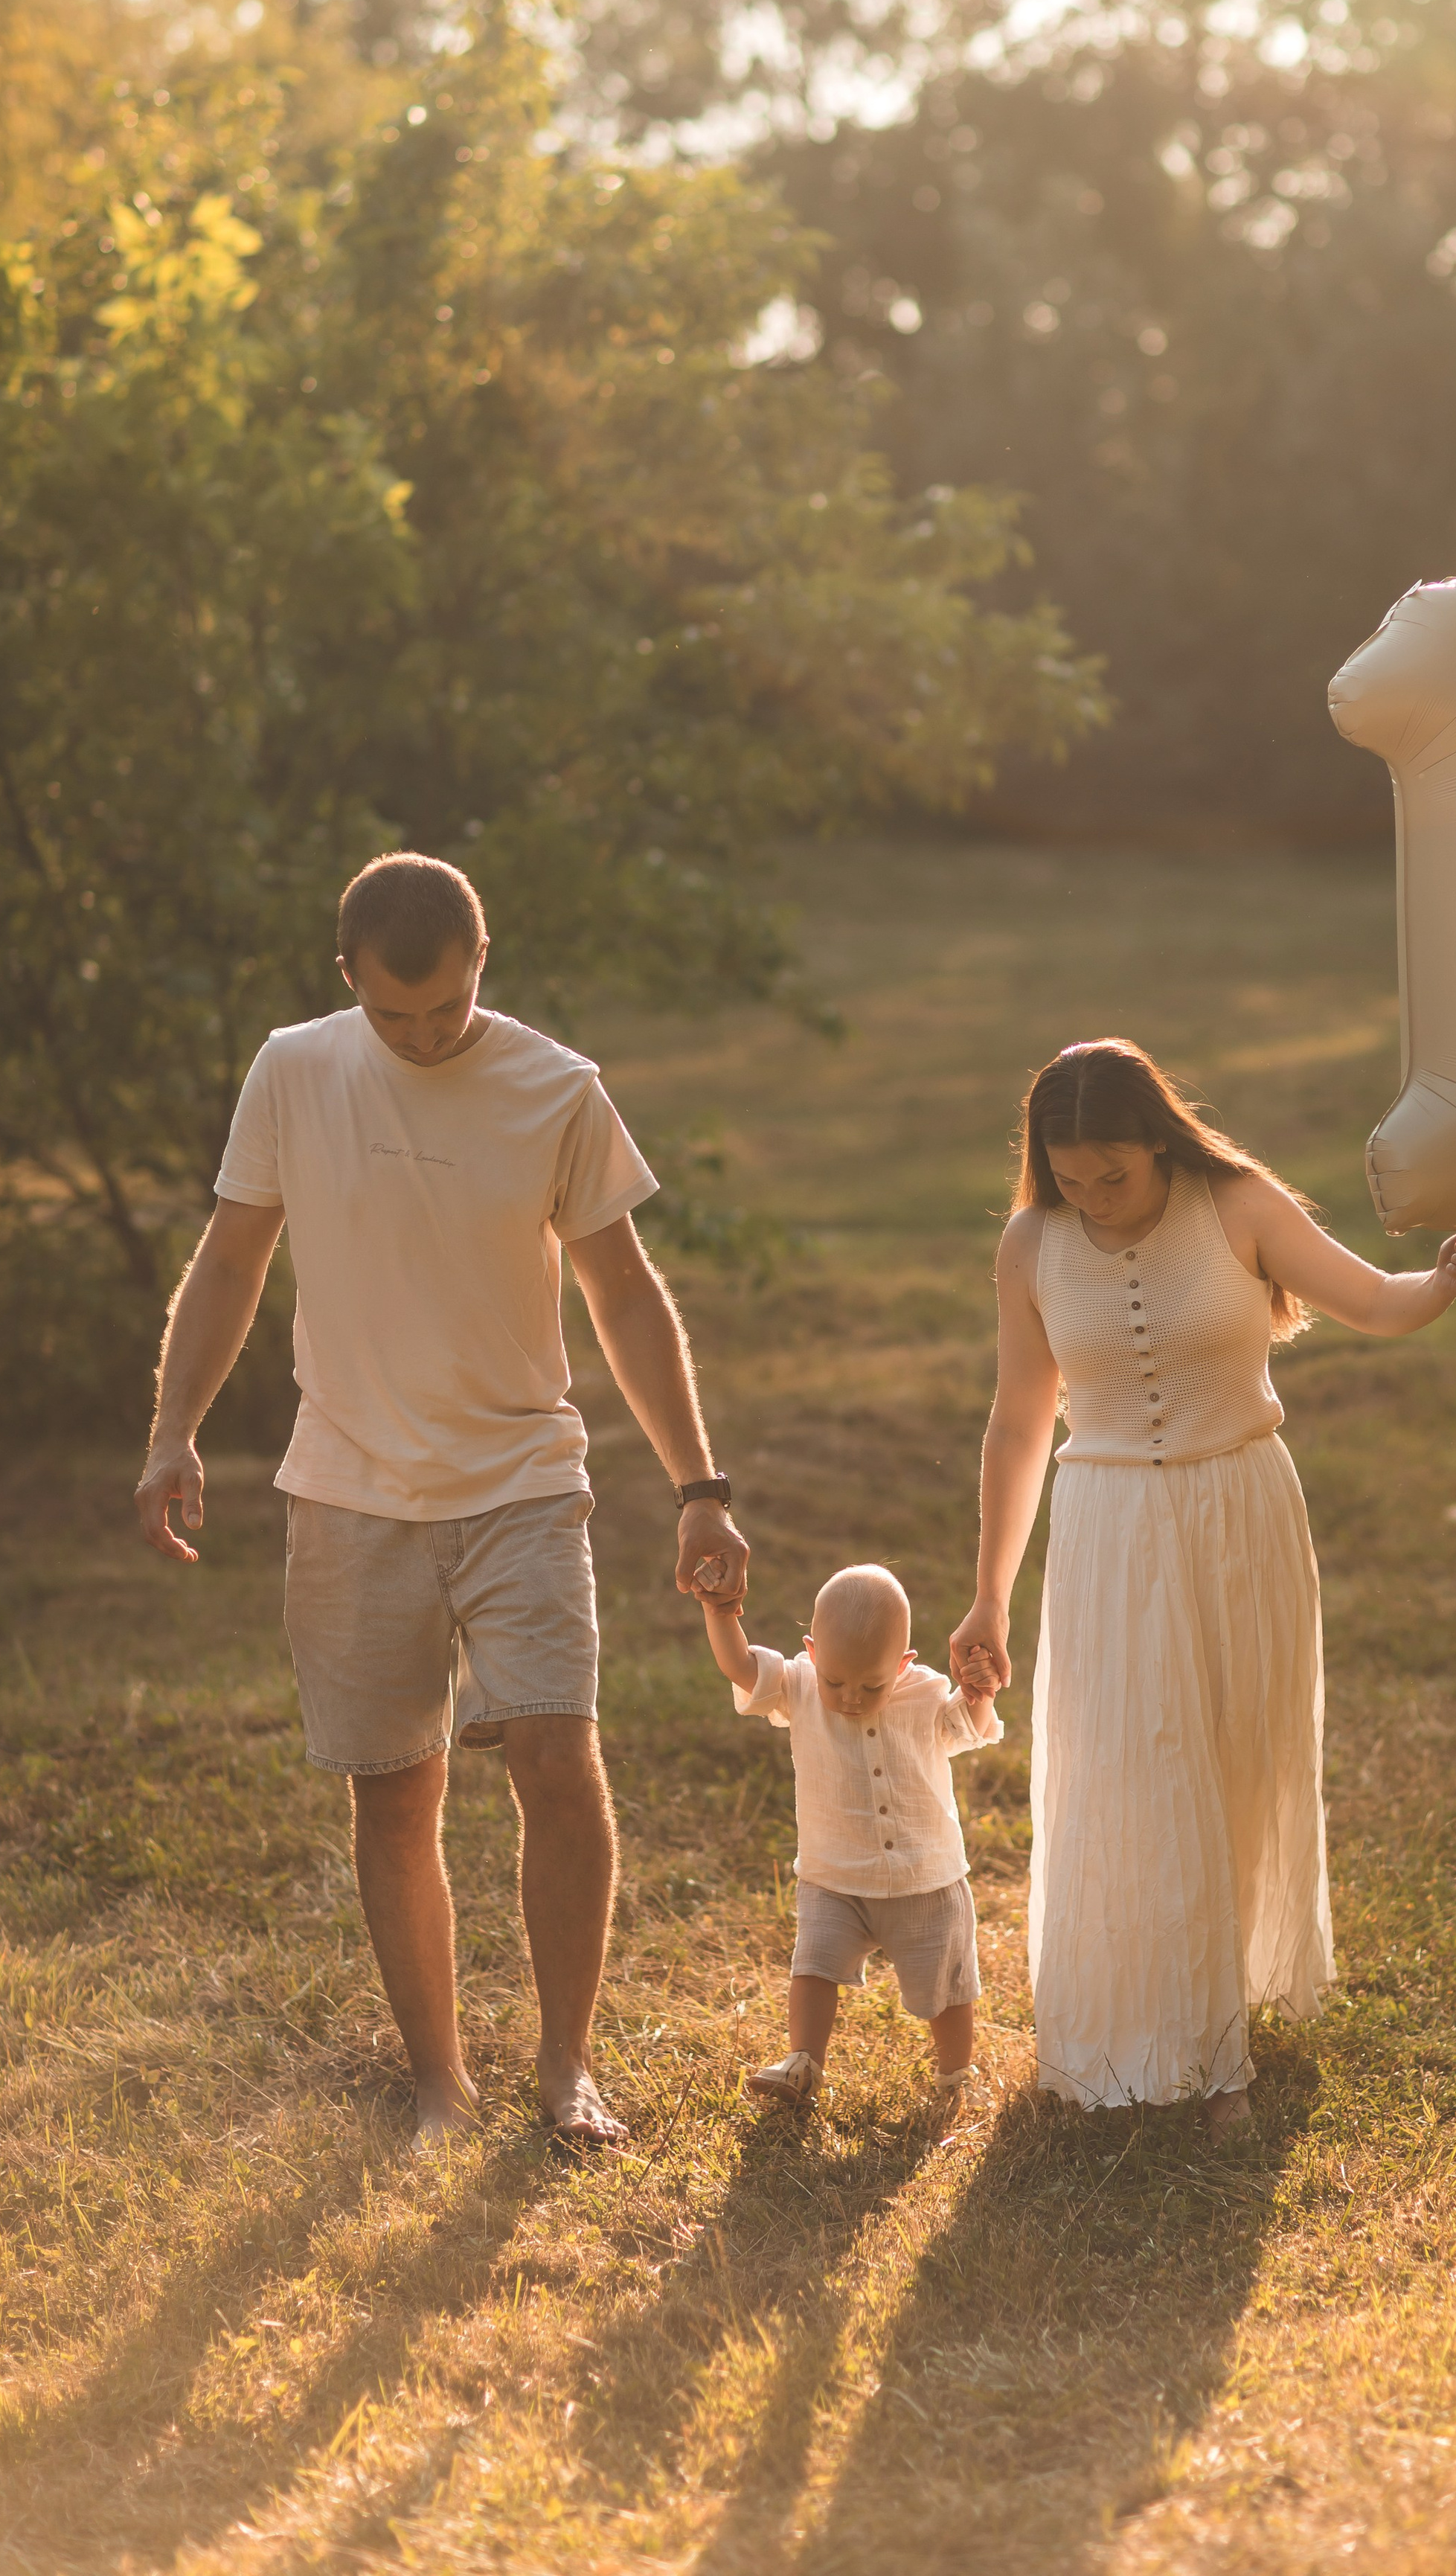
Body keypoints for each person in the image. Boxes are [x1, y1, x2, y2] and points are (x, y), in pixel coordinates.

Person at [134, 851, 748, 2150]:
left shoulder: (557, 1089)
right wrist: (171, 1430)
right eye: (394, 1015)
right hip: (349, 1492)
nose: (421, 1038)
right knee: (393, 1794)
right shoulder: (293, 1068)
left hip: (524, 1477)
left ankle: (568, 2063)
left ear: (484, 964)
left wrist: (700, 1485)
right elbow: (232, 1257)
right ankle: (438, 2084)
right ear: (347, 974)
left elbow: (625, 1295)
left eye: (447, 1011)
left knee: (556, 1760)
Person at [949, 1038, 1456, 2136]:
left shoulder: (1238, 1205)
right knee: (1139, 1770)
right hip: (1108, 1526)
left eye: (1115, 1173)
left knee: (1236, 1757)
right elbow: (1017, 1425)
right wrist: (987, 1597)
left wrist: (1444, 1279)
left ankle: (1221, 2016)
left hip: (1239, 1511)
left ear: (1159, 1142)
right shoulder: (1032, 1247)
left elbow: (1375, 1301)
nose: (1095, 1198)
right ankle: (1201, 2060)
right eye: (1070, 1179)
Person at [700, 1563, 1002, 2103]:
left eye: (873, 1685)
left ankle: (956, 2075)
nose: (851, 1698)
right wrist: (720, 1612)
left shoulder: (927, 1691)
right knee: (814, 1967)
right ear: (812, 1653)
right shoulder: (798, 1683)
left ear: (904, 1664)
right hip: (833, 1873)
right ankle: (803, 2062)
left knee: (948, 1986)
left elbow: (967, 1726)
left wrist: (979, 1691)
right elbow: (741, 1665)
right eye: (835, 1681)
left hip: (925, 1873)